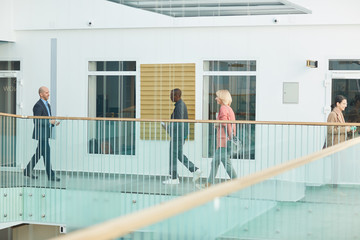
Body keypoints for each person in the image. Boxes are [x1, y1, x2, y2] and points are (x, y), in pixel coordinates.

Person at [198, 89, 237, 188]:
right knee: (215, 162)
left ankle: (237, 181)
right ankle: (208, 184)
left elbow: (224, 123)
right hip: (225, 140)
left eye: (217, 96)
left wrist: (216, 123)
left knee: (226, 164)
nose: (216, 98)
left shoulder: (223, 108)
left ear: (222, 98)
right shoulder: (229, 108)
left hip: (223, 141)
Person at [162, 88, 202, 185]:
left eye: (172, 95)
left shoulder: (180, 106)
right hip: (179, 135)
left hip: (177, 136)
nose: (170, 97)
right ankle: (195, 170)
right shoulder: (180, 105)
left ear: (177, 96)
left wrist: (167, 128)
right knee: (179, 155)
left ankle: (174, 178)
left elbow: (179, 123)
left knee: (173, 155)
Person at [24, 86, 60, 181]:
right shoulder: (38, 105)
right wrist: (49, 122)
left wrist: (53, 123)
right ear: (41, 94)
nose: (48, 94)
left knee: (39, 153)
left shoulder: (47, 105)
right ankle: (51, 175)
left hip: (45, 134)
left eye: (48, 92)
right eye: (46, 92)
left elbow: (48, 119)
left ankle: (27, 170)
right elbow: (37, 121)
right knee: (47, 154)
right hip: (41, 134)